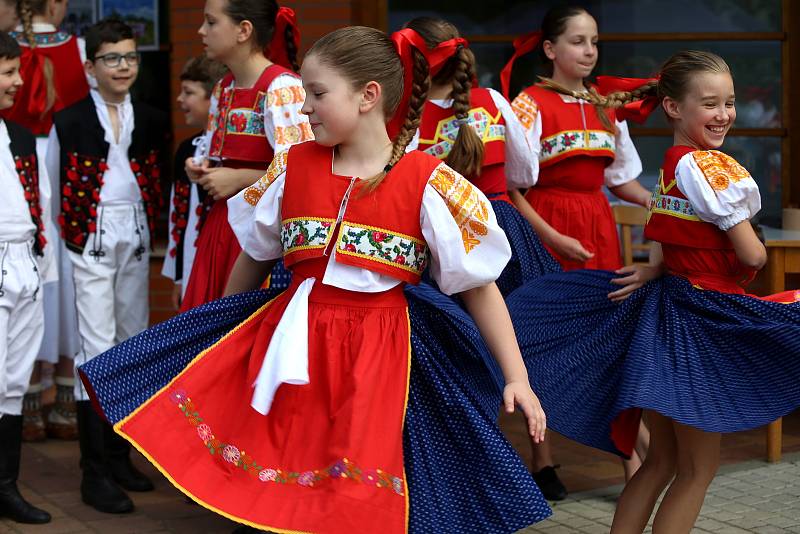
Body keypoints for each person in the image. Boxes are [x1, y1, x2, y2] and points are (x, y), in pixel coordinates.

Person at [78, 25, 555, 534]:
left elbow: (479, 288)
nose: (303, 107)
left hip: (381, 355)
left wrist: (517, 378)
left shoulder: (427, 182)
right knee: (282, 488)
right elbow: (254, 257)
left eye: (318, 93)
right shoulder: (292, 169)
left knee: (357, 493)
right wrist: (214, 342)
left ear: (368, 96)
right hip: (292, 351)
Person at [506, 50, 800, 533]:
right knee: (697, 470)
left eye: (728, 102)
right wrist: (743, 227)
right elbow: (753, 257)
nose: (724, 113)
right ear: (673, 107)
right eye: (710, 103)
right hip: (701, 321)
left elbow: (672, 235)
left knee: (661, 463)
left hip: (671, 313)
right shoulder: (709, 168)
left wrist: (654, 269)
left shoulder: (673, 162)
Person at [502, 5, 654, 496]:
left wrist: (663, 203)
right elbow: (511, 188)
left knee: (606, 341)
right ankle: (542, 457)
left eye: (593, 42)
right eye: (576, 41)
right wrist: (551, 237)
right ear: (550, 49)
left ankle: (629, 458)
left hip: (598, 227)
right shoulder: (528, 103)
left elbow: (622, 179)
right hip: (547, 228)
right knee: (541, 339)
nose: (588, 51)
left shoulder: (607, 105)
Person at [49, 19, 167, 514]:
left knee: (133, 339)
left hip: (135, 233)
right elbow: (55, 190)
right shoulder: (69, 120)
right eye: (112, 58)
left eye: (131, 57)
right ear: (91, 66)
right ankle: (93, 471)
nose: (123, 67)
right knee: (96, 346)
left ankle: (121, 456)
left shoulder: (152, 116)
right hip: (90, 234)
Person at [406, 17, 559, 297]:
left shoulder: (408, 123)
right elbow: (525, 174)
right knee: (520, 312)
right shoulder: (492, 100)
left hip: (448, 235)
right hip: (503, 224)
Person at [179, 0, 310, 311]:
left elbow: (303, 172)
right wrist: (203, 170)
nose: (201, 31)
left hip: (260, 230)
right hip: (221, 228)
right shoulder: (223, 88)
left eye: (211, 22)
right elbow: (219, 156)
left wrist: (238, 178)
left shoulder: (282, 88)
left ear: (244, 30)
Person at [7, 0, 91, 442]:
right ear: (57, 4)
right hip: (66, 172)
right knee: (66, 281)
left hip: (15, 160)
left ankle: (26, 397)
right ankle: (63, 399)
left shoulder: (7, 49)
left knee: (26, 274)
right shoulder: (77, 49)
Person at [0, 29, 52, 524]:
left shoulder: (16, 133)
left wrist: (39, 258)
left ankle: (6, 485)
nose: (18, 82)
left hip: (22, 261)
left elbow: (35, 201)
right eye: (9, 72)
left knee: (14, 380)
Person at [162, 54, 227, 310]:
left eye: (188, 92)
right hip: (191, 259)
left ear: (213, 99)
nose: (180, 100)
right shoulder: (187, 149)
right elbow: (178, 217)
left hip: (222, 257)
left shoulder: (230, 150)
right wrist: (178, 277)